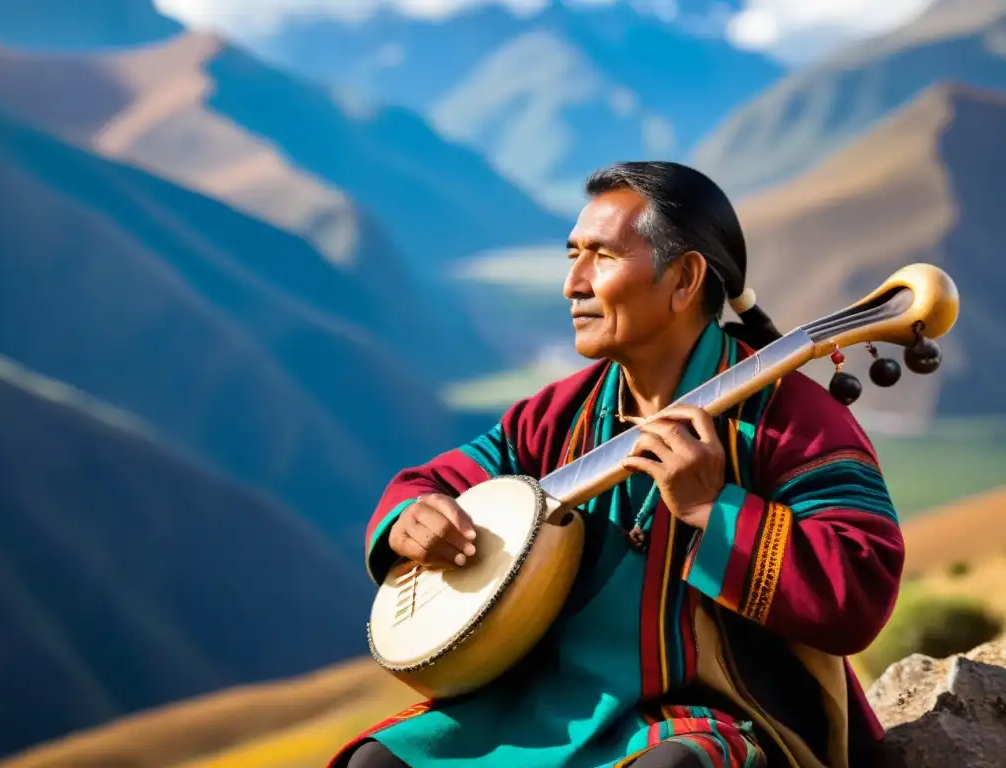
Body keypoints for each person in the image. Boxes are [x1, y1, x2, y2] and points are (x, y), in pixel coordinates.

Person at [328, 161, 904, 768]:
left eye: (601, 256)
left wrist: (714, 510)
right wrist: (412, 518)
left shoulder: (792, 422)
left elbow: (858, 593)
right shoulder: (558, 415)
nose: (573, 282)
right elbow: (432, 483)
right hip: (543, 702)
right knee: (376, 762)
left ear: (684, 279)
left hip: (707, 714)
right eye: (572, 254)